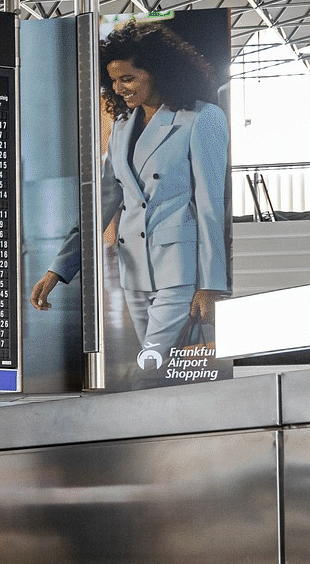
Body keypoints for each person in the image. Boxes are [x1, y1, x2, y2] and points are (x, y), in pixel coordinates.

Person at [29, 20, 229, 377]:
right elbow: (102, 201)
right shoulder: (122, 126)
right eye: (114, 80)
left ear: (159, 72)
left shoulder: (202, 118)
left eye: (129, 78)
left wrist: (211, 285)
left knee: (149, 371)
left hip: (181, 274)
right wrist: (58, 269)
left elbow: (212, 205)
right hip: (134, 272)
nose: (119, 88)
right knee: (164, 374)